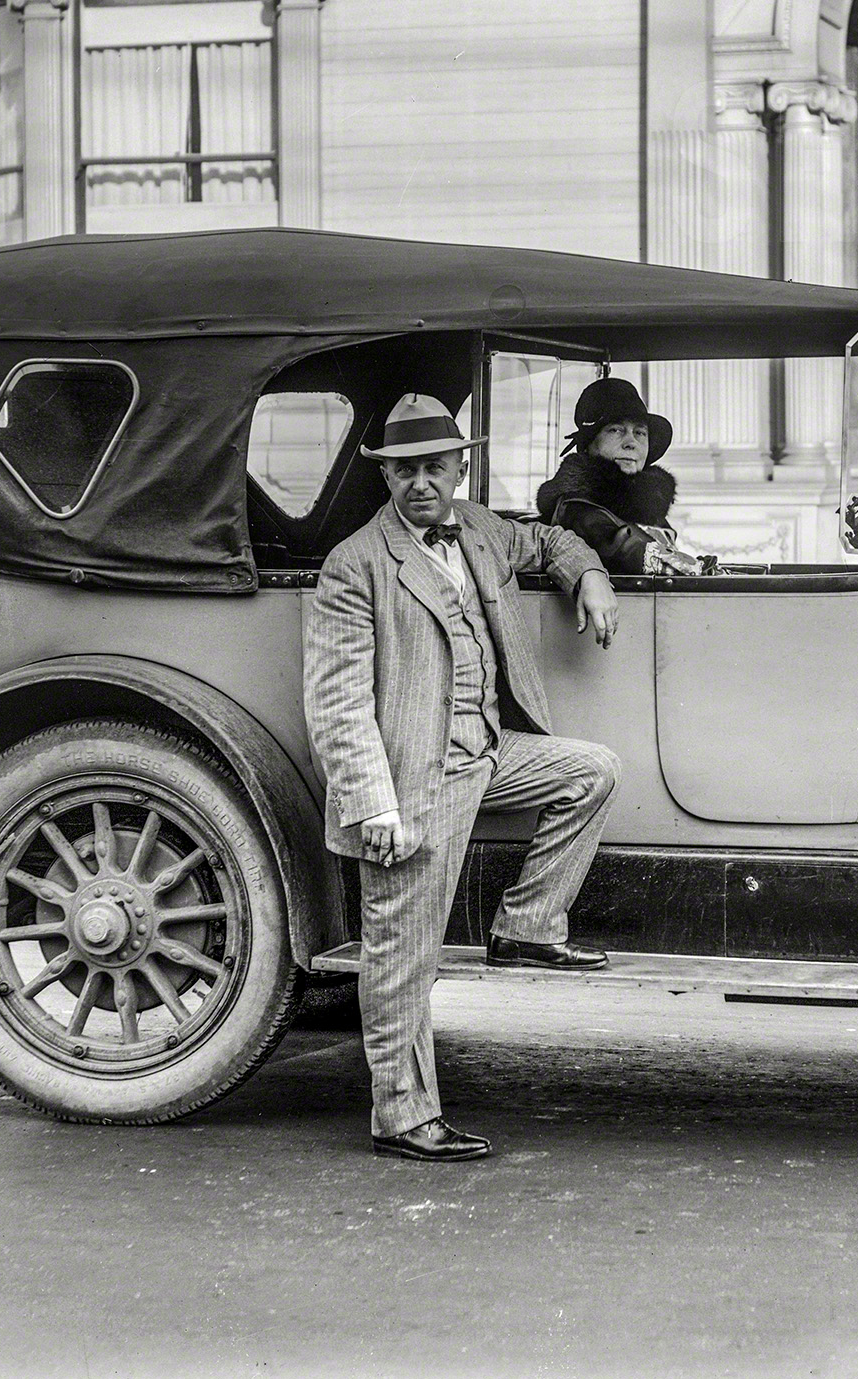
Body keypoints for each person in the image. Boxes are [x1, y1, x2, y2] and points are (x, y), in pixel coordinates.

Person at [303, 392, 624, 1163]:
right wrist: (373, 803)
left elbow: (549, 537)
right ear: (387, 477)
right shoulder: (356, 563)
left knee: (592, 771)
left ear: (460, 467)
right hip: (416, 777)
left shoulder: (477, 526)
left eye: (434, 467)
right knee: (404, 950)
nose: (421, 482)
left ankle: (526, 927)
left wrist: (591, 575)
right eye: (405, 469)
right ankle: (403, 1114)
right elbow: (337, 698)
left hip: (489, 751)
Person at [534, 376, 699, 576]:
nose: (631, 442)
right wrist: (693, 568)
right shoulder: (576, 506)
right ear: (589, 443)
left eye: (640, 432)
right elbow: (623, 549)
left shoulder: (644, 506)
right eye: (616, 430)